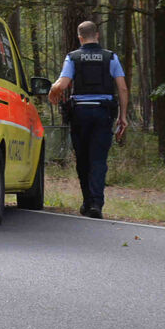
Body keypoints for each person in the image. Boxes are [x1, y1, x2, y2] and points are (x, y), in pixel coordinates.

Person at [48, 21, 129, 219]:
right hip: (103, 114)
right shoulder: (111, 57)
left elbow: (64, 83)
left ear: (80, 38)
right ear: (98, 35)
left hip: (80, 114)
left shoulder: (73, 57)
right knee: (99, 160)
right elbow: (123, 88)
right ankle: (96, 204)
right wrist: (123, 116)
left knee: (83, 159)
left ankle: (87, 201)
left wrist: (53, 91)